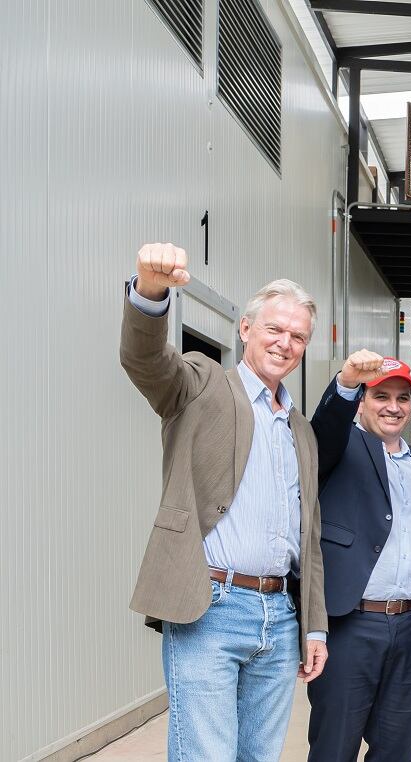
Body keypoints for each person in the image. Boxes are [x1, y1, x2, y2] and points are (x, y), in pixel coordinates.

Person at [119, 243, 327, 761]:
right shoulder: (203, 384)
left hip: (278, 617)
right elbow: (146, 361)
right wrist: (150, 291)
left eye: (297, 336)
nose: (285, 343)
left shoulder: (299, 429)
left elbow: (310, 538)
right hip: (211, 609)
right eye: (274, 329)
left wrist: (314, 624)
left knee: (259, 757)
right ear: (245, 330)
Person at [306, 354, 411, 761]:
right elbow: (326, 428)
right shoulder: (337, 449)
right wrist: (346, 383)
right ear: (362, 402)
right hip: (352, 623)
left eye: (402, 398)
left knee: (396, 749)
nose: (392, 406)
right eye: (381, 395)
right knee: (335, 746)